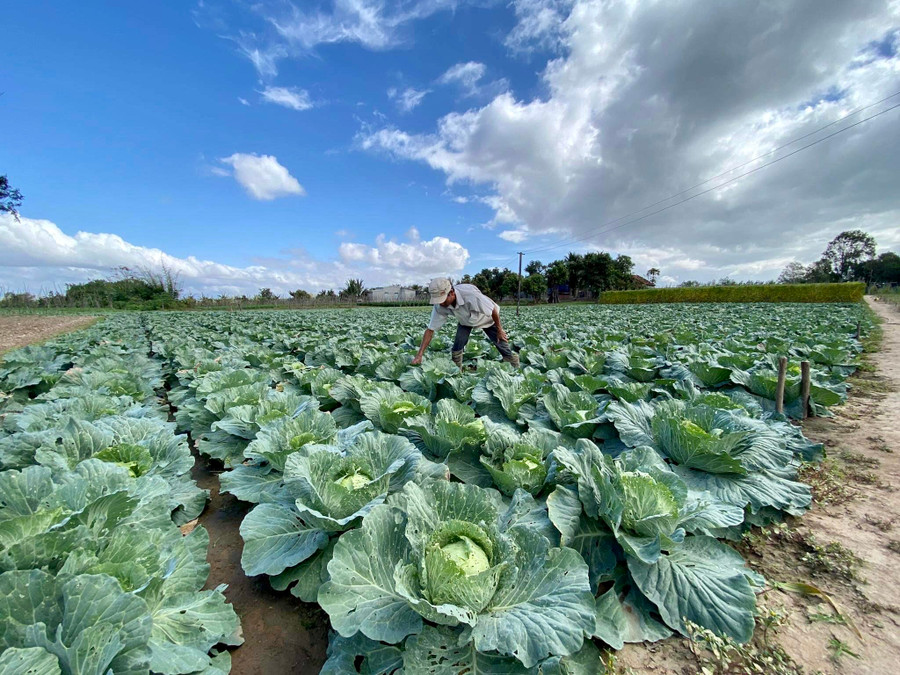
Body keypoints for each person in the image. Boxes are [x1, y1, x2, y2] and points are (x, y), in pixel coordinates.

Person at [411, 277, 519, 368]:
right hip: (465, 321)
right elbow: (430, 330)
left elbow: (493, 310)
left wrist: (500, 329)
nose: (440, 303)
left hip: (486, 318)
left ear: (451, 293)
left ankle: (514, 367)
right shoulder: (440, 305)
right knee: (457, 346)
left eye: (442, 300)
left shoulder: (470, 295)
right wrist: (419, 355)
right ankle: (456, 371)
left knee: (502, 344)